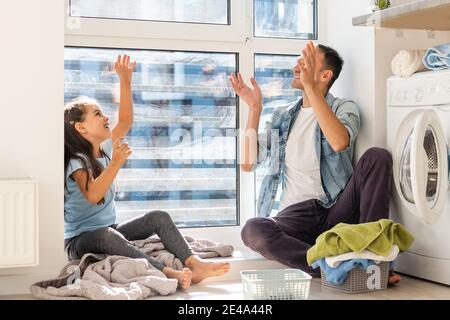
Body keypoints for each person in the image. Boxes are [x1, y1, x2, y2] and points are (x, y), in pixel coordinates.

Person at [230, 41, 400, 285]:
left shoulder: (343, 107)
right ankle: (331, 265)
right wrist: (255, 108)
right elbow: (247, 164)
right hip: (295, 216)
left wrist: (311, 89)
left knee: (377, 156)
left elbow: (340, 142)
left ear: (325, 75)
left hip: (336, 209)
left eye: (306, 61)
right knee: (253, 229)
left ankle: (374, 260)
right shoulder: (283, 116)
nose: (297, 65)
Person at [64, 54, 230, 289]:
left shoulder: (105, 148)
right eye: (98, 114)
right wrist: (115, 165)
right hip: (80, 240)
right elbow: (92, 195)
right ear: (81, 128)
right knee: (106, 236)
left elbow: (125, 121)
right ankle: (165, 271)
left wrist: (125, 81)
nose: (106, 116)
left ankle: (194, 262)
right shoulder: (76, 161)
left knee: (158, 217)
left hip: (111, 230)